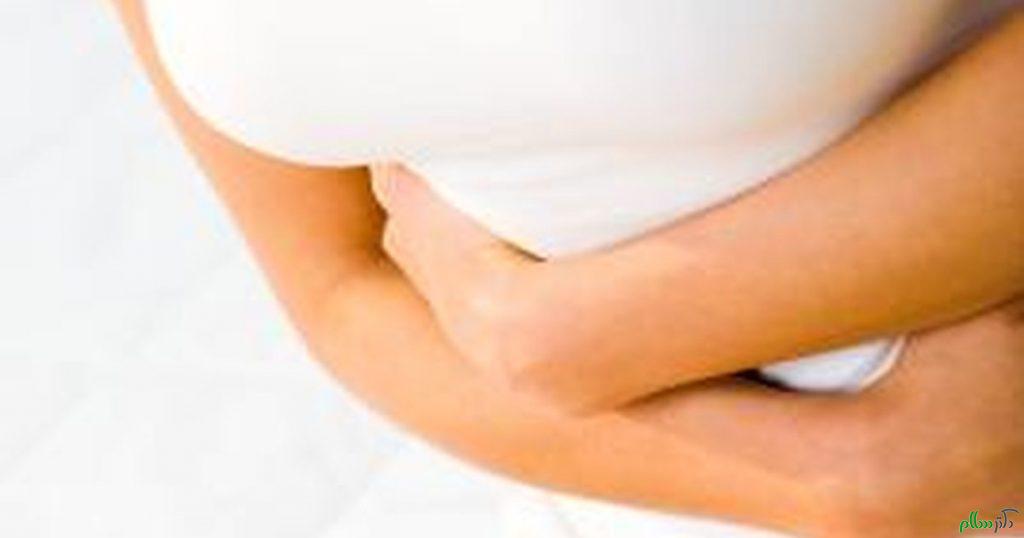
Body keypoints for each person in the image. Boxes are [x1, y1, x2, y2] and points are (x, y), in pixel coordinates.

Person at [111, 1, 1023, 535]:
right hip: (746, 501)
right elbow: (338, 288)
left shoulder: (553, 338)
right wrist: (837, 480)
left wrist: (584, 330)